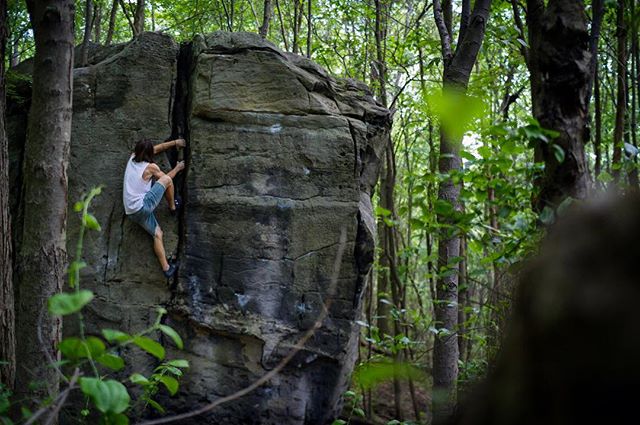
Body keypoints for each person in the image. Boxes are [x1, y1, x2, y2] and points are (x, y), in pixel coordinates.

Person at [123, 138, 186, 278]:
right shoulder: (151, 167)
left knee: (157, 233)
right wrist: (178, 168)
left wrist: (175, 143)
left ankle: (166, 269)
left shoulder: (132, 157)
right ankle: (173, 207)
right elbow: (166, 179)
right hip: (143, 206)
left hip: (131, 211)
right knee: (167, 181)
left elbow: (157, 148)